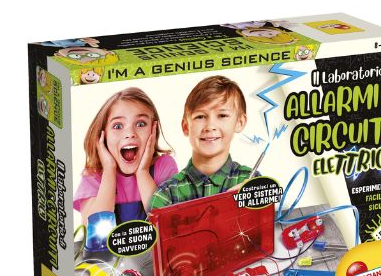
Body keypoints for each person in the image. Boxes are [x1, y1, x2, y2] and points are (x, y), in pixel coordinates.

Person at [74, 88, 178, 225]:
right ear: (103, 135)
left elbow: (168, 223)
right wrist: (109, 169)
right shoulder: (94, 176)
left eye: (140, 124)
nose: (130, 133)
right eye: (118, 126)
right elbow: (94, 228)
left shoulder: (163, 166)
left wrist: (143, 172)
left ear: (154, 130)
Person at [150, 75, 254, 209]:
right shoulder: (166, 194)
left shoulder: (252, 182)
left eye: (222, 115)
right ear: (186, 127)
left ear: (240, 122)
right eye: (200, 117)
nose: (210, 126)